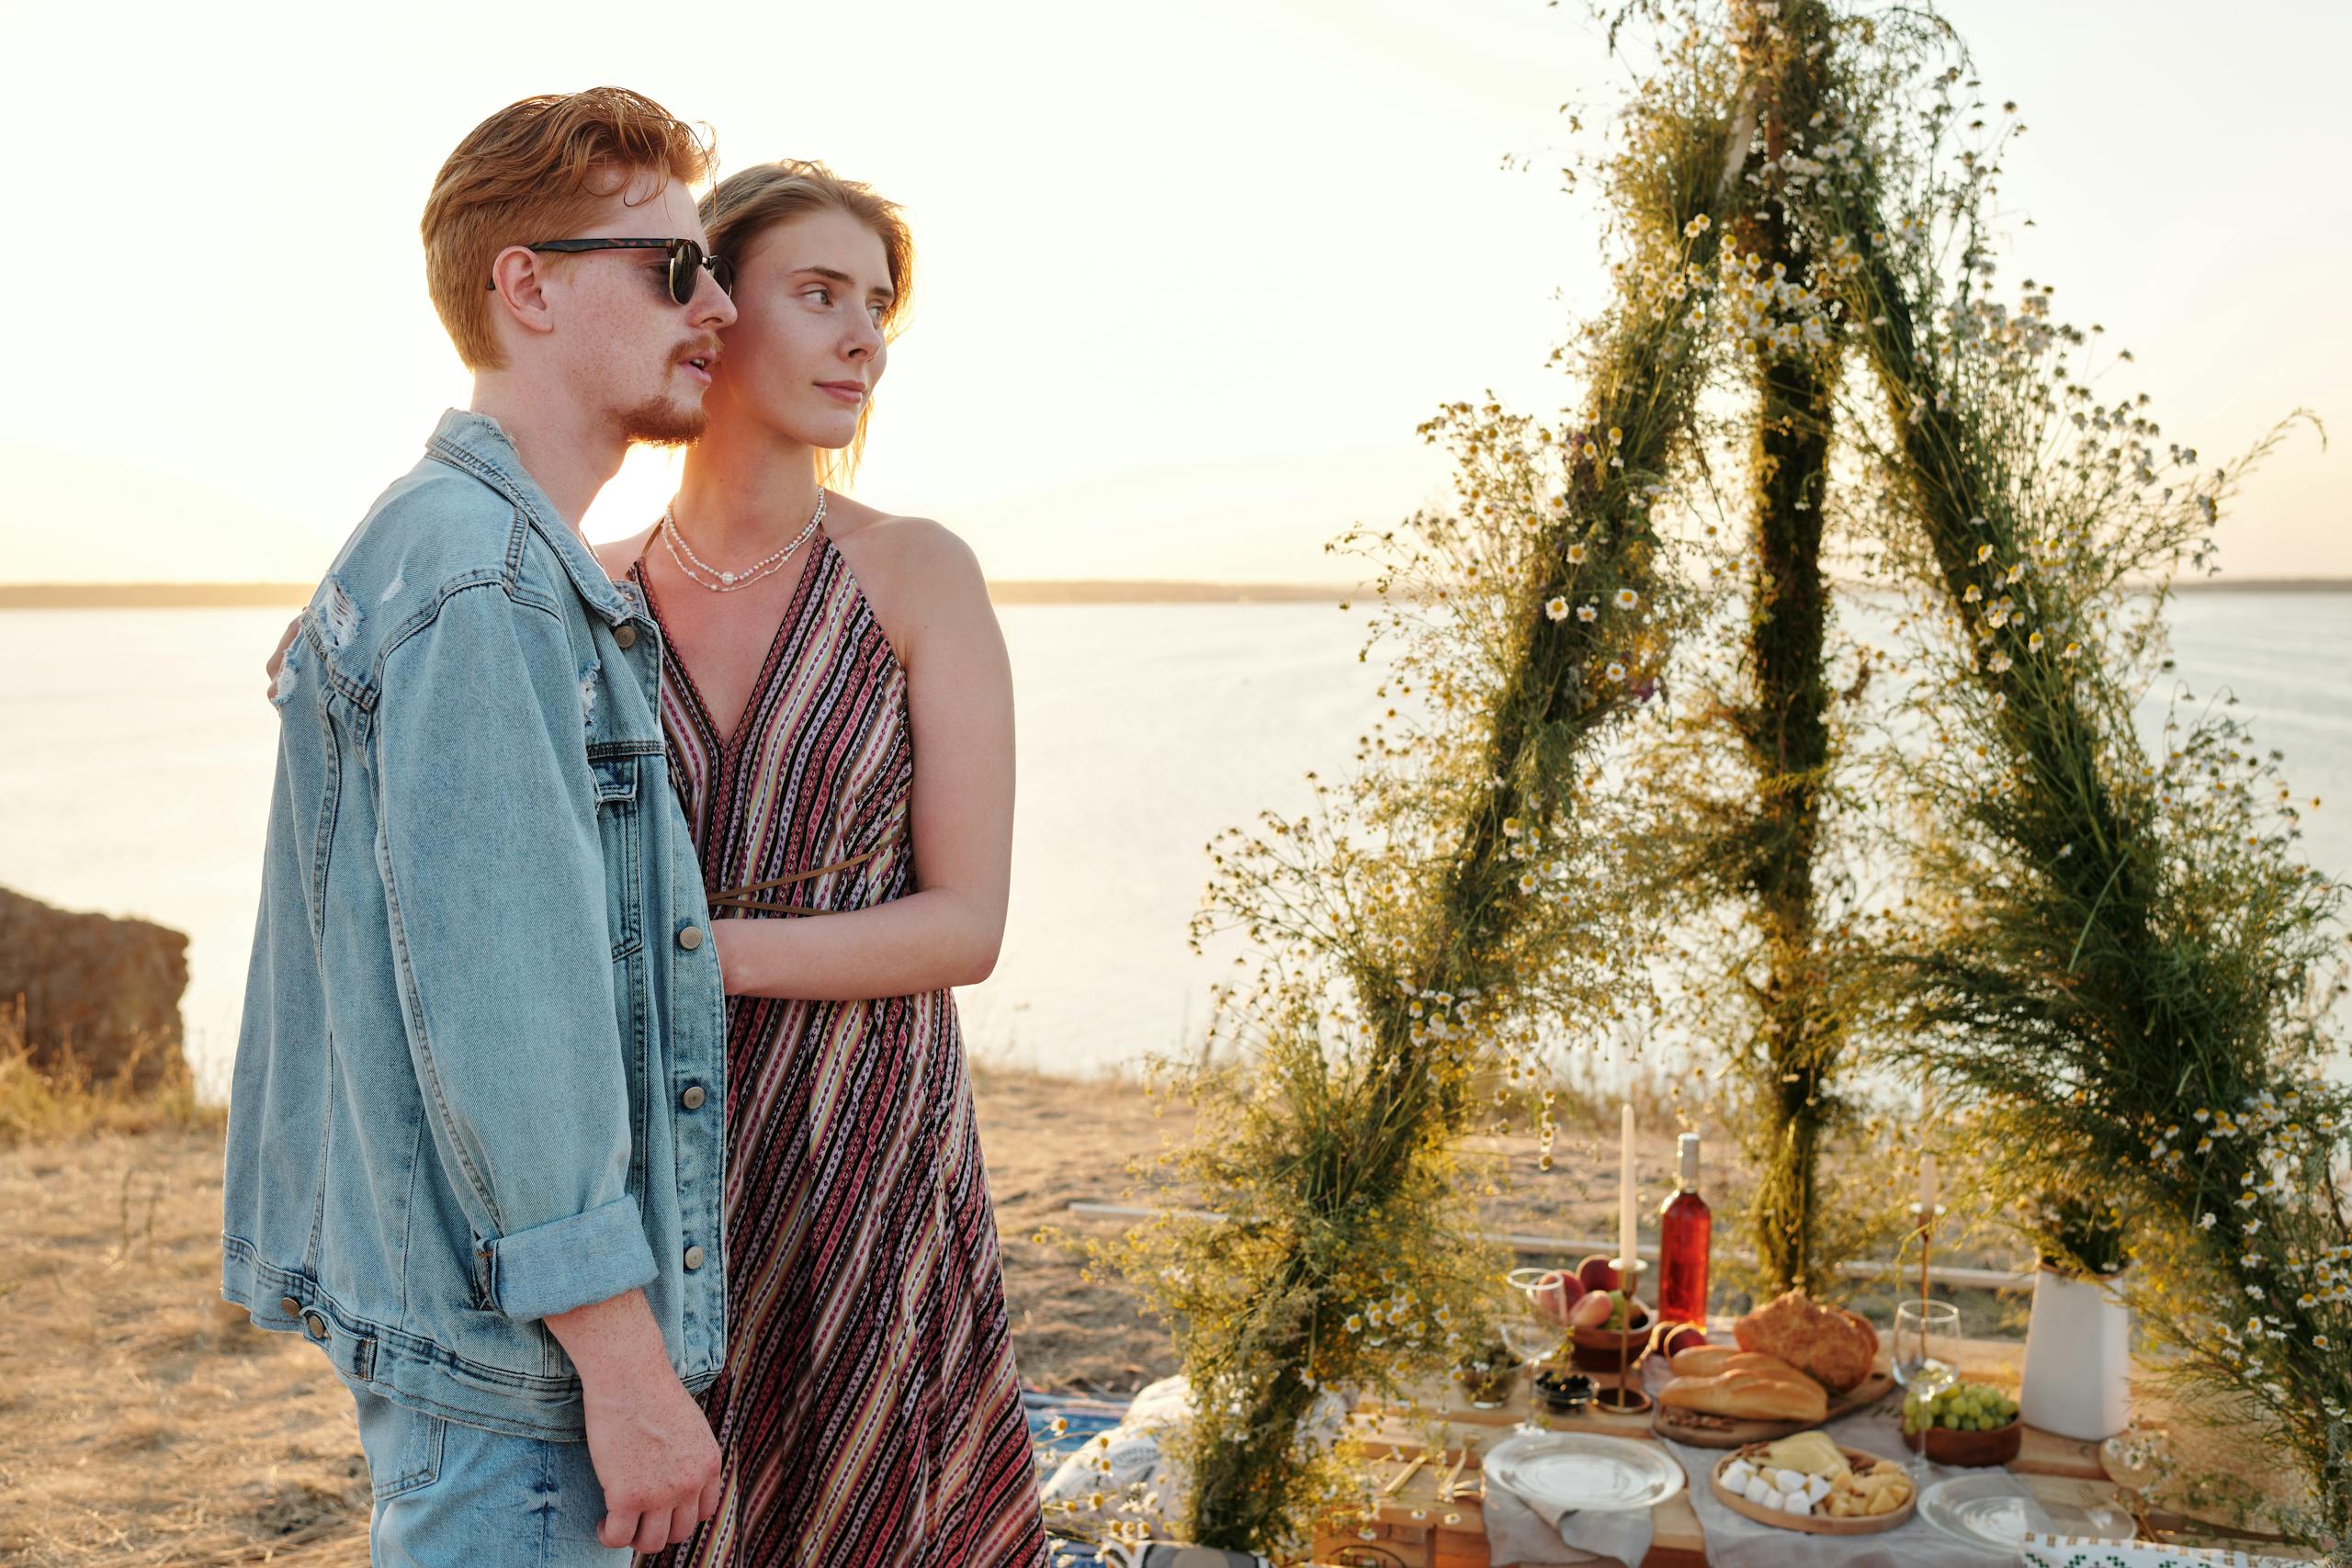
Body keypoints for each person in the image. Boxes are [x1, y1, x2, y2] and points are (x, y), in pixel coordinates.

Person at [223, 87, 739, 1564]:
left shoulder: (464, 552)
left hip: (479, 1360)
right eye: (670, 269)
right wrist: (630, 1375)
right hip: (523, 1394)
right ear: (527, 285)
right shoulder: (486, 585)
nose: (714, 309)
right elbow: (512, 1017)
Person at [597, 161, 1046, 1567]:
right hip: (653, 1149)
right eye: (820, 294)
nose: (865, 339)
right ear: (711, 308)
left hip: (862, 1141)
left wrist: (695, 956)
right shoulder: (590, 592)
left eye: (878, 306)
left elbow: (965, 923)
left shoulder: (917, 573)